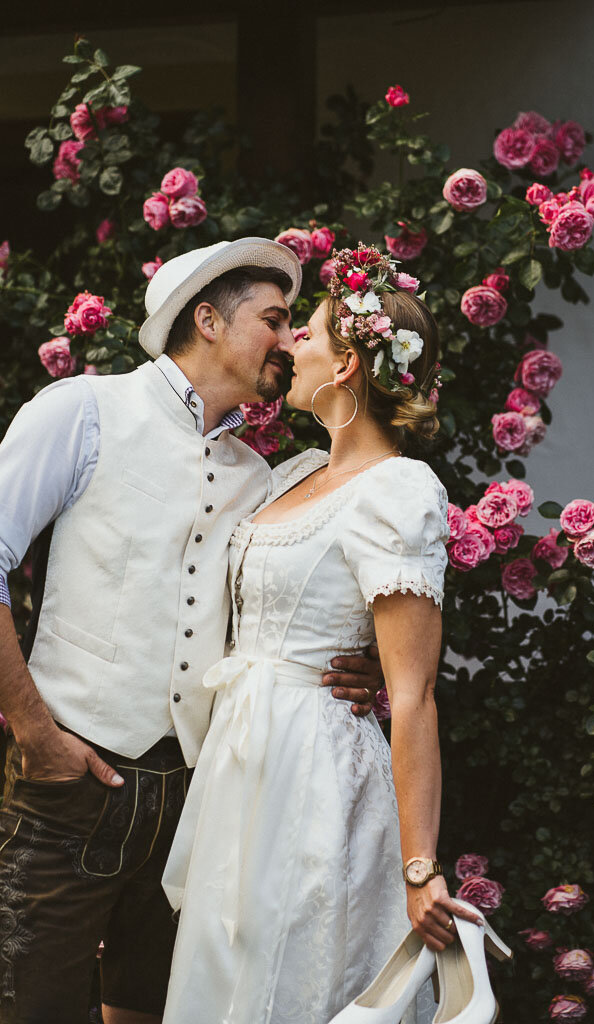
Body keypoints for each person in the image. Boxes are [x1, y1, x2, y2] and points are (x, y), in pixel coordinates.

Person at [0, 238, 383, 1024]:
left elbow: (276, 614)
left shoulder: (259, 476)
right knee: (30, 1006)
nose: (289, 341)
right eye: (274, 320)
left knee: (157, 1010)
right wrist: (36, 731)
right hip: (70, 780)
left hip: (199, 801)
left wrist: (359, 663)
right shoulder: (84, 410)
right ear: (206, 318)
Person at [161, 245, 481, 1024]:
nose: (286, 345)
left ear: (346, 367)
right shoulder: (295, 471)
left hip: (315, 773)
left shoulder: (399, 490)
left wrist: (419, 868)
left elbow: (411, 694)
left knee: (295, 977)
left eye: (302, 334)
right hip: (240, 764)